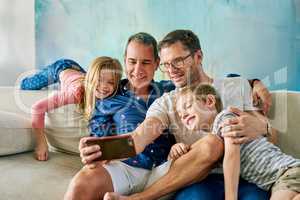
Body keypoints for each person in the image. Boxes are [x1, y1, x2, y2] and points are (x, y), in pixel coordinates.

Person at [73, 29, 273, 200]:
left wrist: (261, 123)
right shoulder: (167, 100)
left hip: (245, 175)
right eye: (166, 65)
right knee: (212, 146)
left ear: (198, 57)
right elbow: (139, 138)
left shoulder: (235, 86)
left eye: (178, 61)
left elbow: (271, 136)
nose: (171, 71)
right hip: (196, 177)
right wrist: (103, 151)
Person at [64, 32, 176, 200]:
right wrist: (94, 151)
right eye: (132, 62)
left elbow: (204, 86)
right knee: (80, 184)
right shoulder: (108, 97)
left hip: (166, 168)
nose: (138, 70)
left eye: (145, 62)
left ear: (157, 63)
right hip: (126, 167)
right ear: (125, 60)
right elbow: (99, 137)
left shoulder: (169, 90)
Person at [175, 84, 300, 200]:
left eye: (187, 106)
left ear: (210, 101)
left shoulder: (225, 118)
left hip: (285, 172)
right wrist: (182, 149)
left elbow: (232, 156)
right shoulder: (214, 137)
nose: (183, 115)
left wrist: (230, 197)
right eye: (180, 115)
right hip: (281, 178)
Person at [20, 56, 122, 161]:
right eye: (99, 80)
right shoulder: (75, 94)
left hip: (79, 72)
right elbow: (37, 108)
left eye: (111, 82)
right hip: (60, 68)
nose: (104, 86)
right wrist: (41, 143)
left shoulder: (114, 95)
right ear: (91, 79)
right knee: (26, 84)